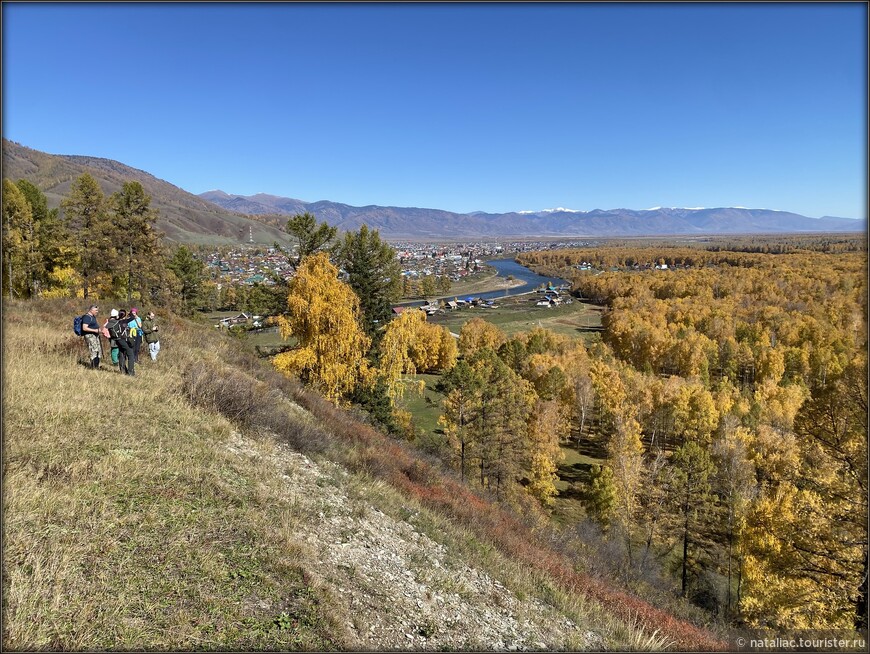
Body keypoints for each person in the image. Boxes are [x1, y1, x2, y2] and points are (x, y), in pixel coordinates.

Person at [115, 310, 135, 376]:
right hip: (123, 339)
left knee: (121, 353)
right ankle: (130, 372)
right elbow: (133, 317)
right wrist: (130, 313)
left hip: (117, 340)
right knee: (130, 354)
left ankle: (123, 370)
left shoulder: (116, 321)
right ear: (124, 315)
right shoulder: (124, 321)